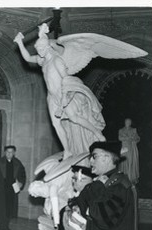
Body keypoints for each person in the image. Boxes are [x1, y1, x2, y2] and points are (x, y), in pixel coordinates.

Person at [14, 24, 105, 159]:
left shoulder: (57, 61)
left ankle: (97, 133)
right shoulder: (42, 61)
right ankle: (67, 150)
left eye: (41, 48)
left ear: (48, 47)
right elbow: (27, 58)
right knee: (56, 124)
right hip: (51, 97)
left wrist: (64, 99)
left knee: (74, 118)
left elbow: (68, 81)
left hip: (64, 94)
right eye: (38, 49)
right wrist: (20, 42)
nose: (39, 52)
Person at [0, 145, 26, 230]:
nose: (9, 154)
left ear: (14, 153)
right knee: (3, 208)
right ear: (5, 152)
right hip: (2, 187)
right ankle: (3, 227)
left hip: (13, 188)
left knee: (10, 208)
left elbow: (22, 175)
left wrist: (21, 183)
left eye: (11, 152)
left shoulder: (18, 163)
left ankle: (6, 225)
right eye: (7, 152)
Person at [118, 118, 140, 184]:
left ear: (130, 123)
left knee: (131, 162)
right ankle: (124, 178)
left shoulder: (134, 130)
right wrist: (128, 138)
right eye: (126, 122)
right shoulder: (121, 130)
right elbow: (120, 138)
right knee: (124, 162)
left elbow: (138, 138)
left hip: (132, 149)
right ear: (124, 122)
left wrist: (134, 139)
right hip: (124, 148)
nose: (127, 123)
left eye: (129, 122)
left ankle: (131, 178)